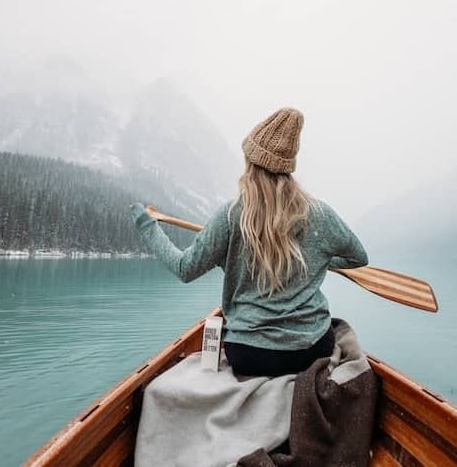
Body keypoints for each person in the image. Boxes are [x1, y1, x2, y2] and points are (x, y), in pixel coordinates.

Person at [130, 108, 368, 377]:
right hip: (310, 350)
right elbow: (358, 258)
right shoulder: (320, 214)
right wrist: (316, 259)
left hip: (250, 354)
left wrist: (148, 227)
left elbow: (185, 268)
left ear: (251, 163)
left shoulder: (231, 215)